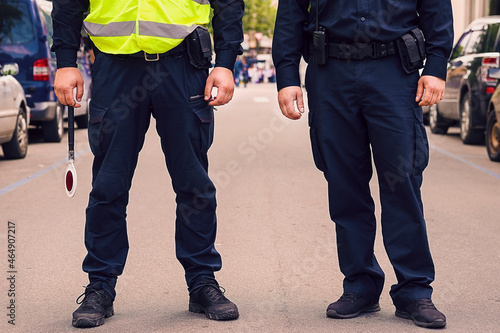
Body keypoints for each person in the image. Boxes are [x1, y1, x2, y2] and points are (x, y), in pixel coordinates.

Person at [51, 0, 244, 328]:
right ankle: (100, 285)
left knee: (193, 183)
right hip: (115, 67)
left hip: (184, 64)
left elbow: (228, 3)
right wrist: (66, 61)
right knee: (108, 185)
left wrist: (226, 62)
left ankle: (202, 282)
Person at [272, 0, 452, 329]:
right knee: (345, 184)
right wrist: (286, 75)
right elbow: (290, 14)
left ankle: (414, 289)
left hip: (395, 74)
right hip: (331, 74)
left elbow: (436, 8)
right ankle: (360, 284)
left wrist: (436, 66)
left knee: (403, 182)